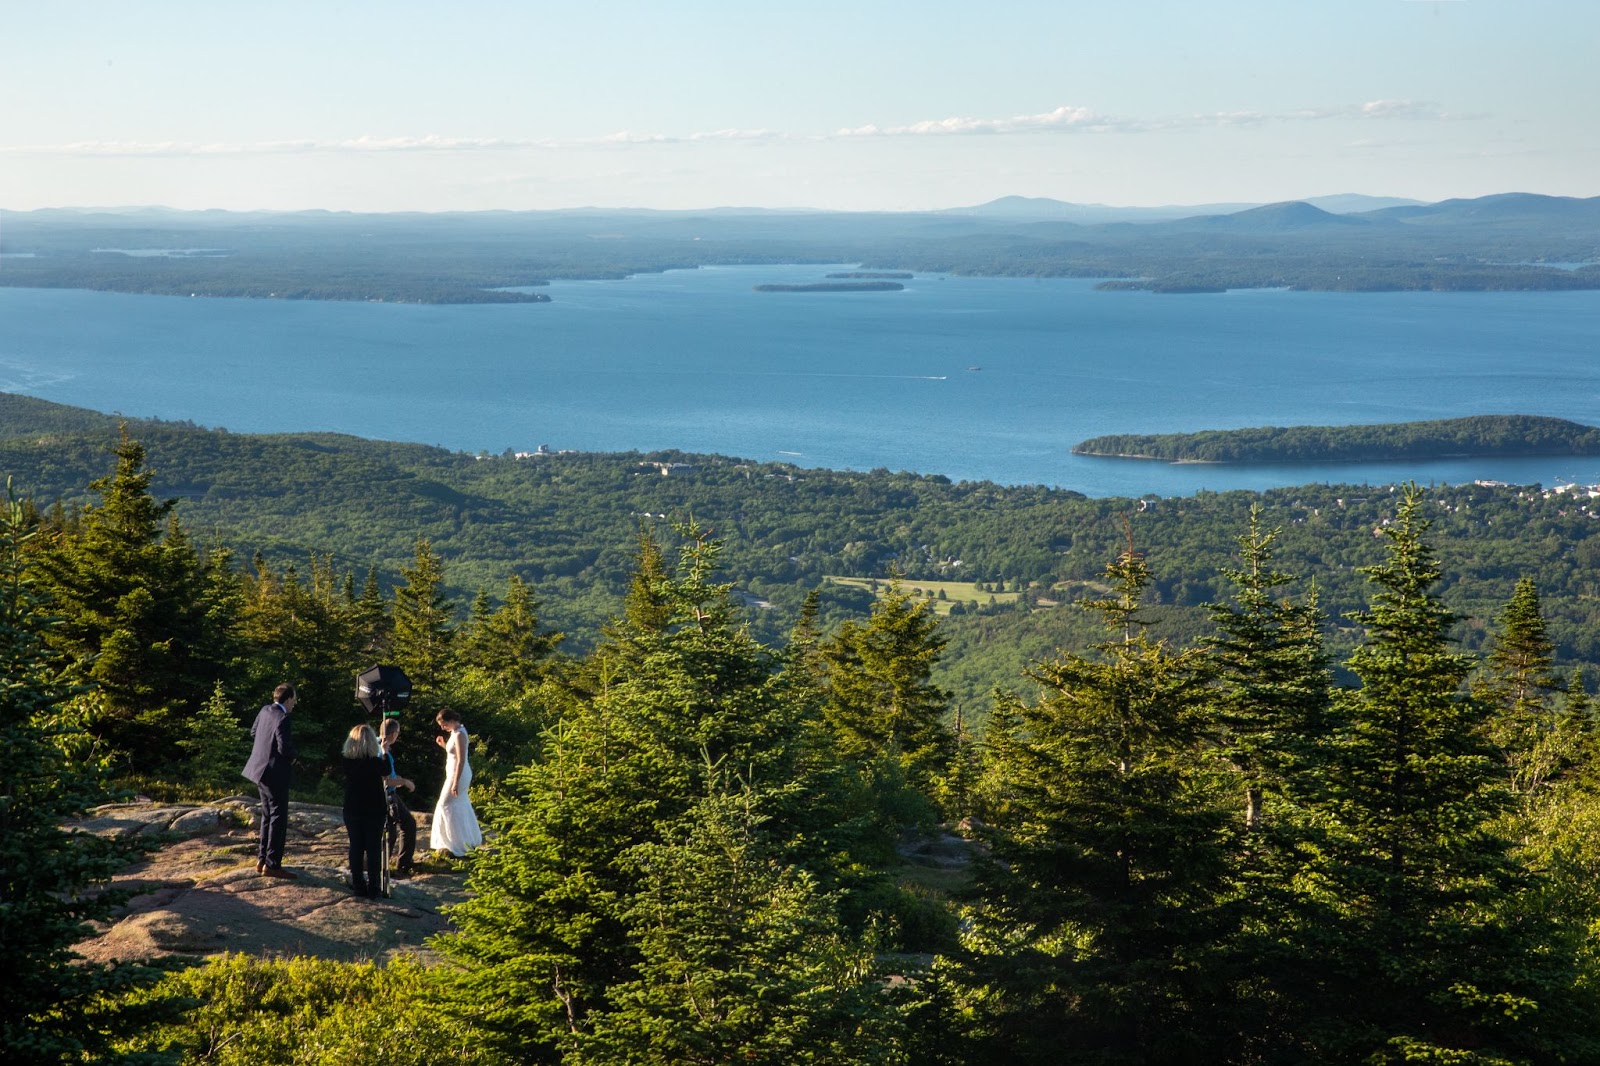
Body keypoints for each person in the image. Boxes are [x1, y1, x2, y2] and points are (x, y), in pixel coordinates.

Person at [242, 683, 298, 879]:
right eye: (294, 699)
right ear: (288, 698)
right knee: (278, 817)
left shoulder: (265, 710)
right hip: (275, 773)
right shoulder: (283, 718)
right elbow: (284, 748)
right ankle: (272, 864)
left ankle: (261, 859)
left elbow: (253, 732)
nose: (295, 703)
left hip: (259, 770)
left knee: (267, 816)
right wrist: (294, 757)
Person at [342, 723, 389, 898]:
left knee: (356, 846)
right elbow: (387, 770)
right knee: (373, 848)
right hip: (374, 808)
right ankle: (374, 886)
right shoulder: (375, 762)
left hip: (352, 807)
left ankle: (358, 884)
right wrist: (384, 751)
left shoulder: (346, 761)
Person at [431, 707, 483, 857]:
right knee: (457, 804)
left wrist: (455, 782)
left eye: (444, 724)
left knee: (445, 804)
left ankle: (456, 843)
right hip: (453, 774)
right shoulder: (454, 733)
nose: (442, 727)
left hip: (458, 775)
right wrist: (443, 745)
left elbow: (460, 760)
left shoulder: (460, 734)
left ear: (451, 720)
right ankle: (463, 840)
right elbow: (452, 752)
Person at [379, 717, 418, 876]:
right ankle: (382, 867)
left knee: (408, 824)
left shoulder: (383, 746)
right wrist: (404, 781)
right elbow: (384, 779)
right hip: (386, 794)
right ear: (394, 733)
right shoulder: (382, 749)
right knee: (390, 832)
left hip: (392, 792)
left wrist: (398, 780)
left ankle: (403, 864)